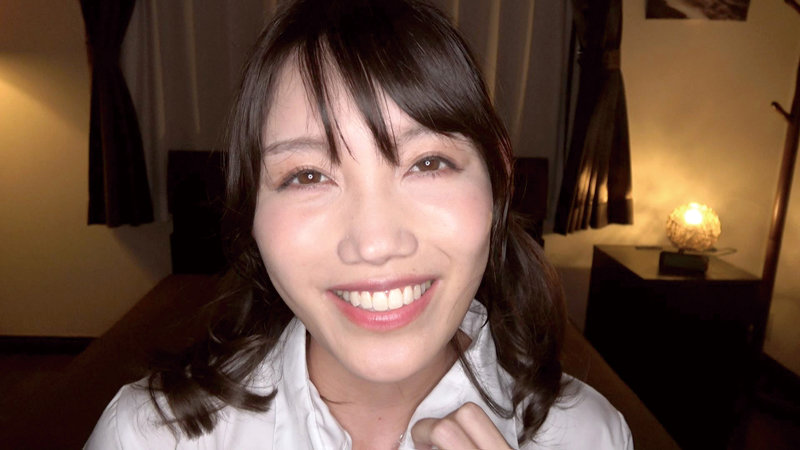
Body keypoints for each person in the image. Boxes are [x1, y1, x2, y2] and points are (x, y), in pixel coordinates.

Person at [86, 0, 632, 448]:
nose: (375, 243)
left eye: (428, 163)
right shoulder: (148, 436)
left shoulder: (590, 436)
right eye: (307, 175)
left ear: (499, 179)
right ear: (250, 207)